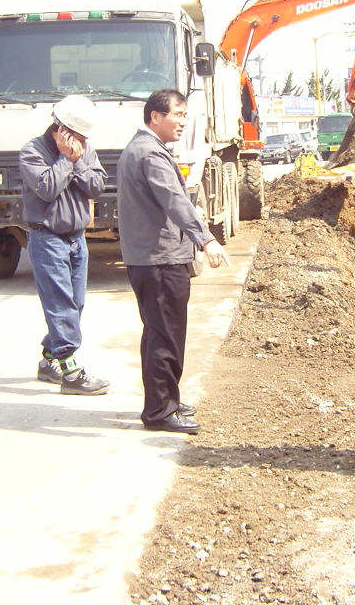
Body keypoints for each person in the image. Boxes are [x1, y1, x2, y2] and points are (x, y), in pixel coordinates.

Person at [116, 89, 229, 434]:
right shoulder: (150, 153)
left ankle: (165, 400)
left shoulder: (142, 149)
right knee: (165, 335)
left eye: (184, 114)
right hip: (160, 259)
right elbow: (175, 202)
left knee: (158, 333)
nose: (183, 121)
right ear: (155, 117)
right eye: (177, 115)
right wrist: (206, 238)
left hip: (151, 257)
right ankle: (161, 411)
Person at [20, 94, 111, 394]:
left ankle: (50, 359)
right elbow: (46, 188)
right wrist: (64, 160)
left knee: (75, 304)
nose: (81, 142)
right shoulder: (32, 151)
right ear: (61, 128)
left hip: (76, 238)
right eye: (77, 135)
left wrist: (78, 163)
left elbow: (97, 185)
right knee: (60, 306)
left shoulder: (83, 150)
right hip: (47, 238)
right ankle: (71, 374)